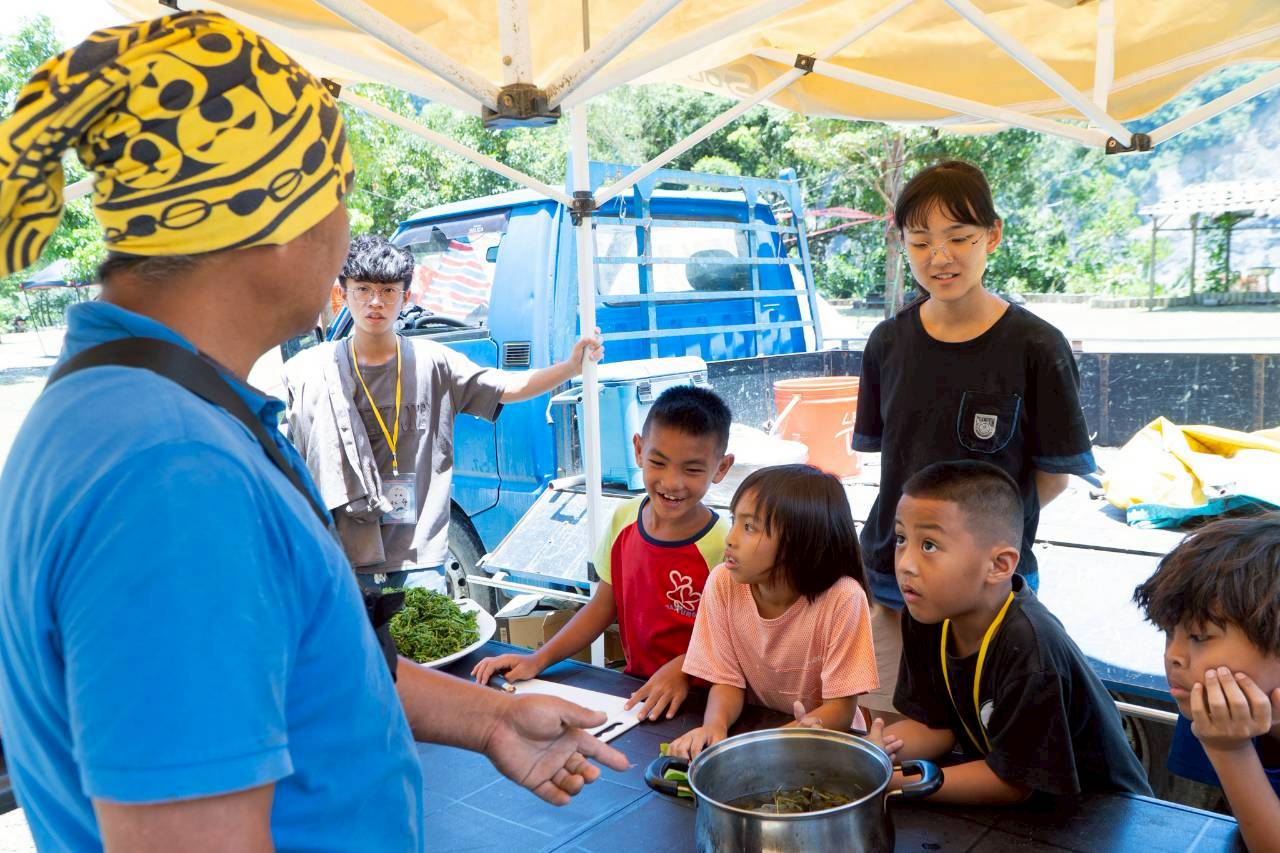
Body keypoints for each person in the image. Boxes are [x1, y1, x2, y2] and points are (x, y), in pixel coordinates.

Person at [0, 13, 624, 851]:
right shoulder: (173, 473)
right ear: (278, 218)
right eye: (339, 189)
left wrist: (491, 720)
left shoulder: (142, 409)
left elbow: (289, 663)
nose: (345, 233)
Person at [852, 160, 1095, 719]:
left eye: (959, 237)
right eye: (921, 241)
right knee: (888, 734)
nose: (940, 257)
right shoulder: (887, 343)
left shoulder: (1037, 346)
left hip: (991, 593)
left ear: (993, 235)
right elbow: (888, 461)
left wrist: (970, 544)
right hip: (896, 583)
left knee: (988, 742)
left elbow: (1051, 476)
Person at [284, 234, 602, 591]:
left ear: (406, 297)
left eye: (389, 291)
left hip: (418, 558)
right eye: (363, 289)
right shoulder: (308, 371)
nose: (376, 301)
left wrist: (570, 368)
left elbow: (506, 386)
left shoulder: (433, 363)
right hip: (338, 557)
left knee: (424, 645)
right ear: (343, 293)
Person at [877, 460, 1150, 803]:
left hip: (1103, 814)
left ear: (999, 565)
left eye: (929, 545)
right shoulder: (927, 615)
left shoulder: (1031, 646)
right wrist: (867, 755)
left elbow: (1013, 783)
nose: (905, 563)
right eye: (902, 538)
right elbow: (935, 727)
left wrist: (889, 783)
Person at [473, 386, 735, 721]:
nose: (672, 482)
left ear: (721, 468)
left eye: (693, 470)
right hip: (636, 695)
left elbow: (734, 640)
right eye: (659, 462)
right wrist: (537, 660)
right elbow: (601, 607)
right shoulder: (624, 519)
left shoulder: (725, 546)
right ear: (638, 450)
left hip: (708, 705)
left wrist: (684, 670)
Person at [667, 464, 878, 759]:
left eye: (750, 527)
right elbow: (727, 680)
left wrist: (770, 744)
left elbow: (841, 710)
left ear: (800, 541)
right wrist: (714, 727)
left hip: (825, 743)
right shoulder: (723, 583)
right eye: (734, 520)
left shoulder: (843, 599)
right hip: (758, 726)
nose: (731, 538)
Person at [1133, 514, 1280, 853]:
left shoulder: (1220, 716)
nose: (1174, 656)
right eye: (1169, 633)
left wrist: (1231, 751)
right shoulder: (1210, 701)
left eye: (1200, 636)